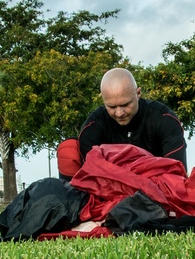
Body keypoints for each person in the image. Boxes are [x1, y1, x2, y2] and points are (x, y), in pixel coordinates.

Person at [57, 68, 186, 179]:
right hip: (109, 190)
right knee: (68, 150)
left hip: (157, 189)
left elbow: (177, 172)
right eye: (112, 107)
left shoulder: (165, 119)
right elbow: (90, 177)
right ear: (103, 99)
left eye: (125, 105)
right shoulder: (93, 127)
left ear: (138, 93)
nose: (119, 113)